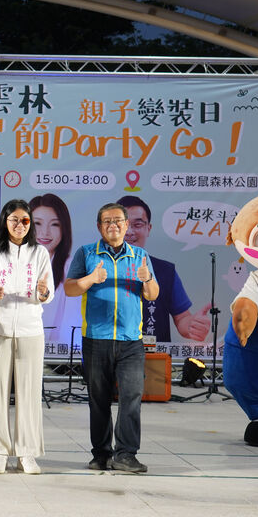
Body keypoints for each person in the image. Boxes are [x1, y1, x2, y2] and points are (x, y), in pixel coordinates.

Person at [65, 203, 159, 474]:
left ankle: (126, 454)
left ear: (126, 225)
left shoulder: (139, 255)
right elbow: (70, 289)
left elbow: (152, 294)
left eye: (118, 220)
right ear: (99, 226)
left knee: (131, 396)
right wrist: (91, 279)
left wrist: (147, 279)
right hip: (97, 339)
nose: (113, 225)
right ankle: (101, 454)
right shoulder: (86, 253)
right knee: (99, 399)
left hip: (131, 341)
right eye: (107, 221)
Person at [0, 200, 54, 475]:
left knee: (29, 392)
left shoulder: (40, 252)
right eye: (14, 220)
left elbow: (48, 292)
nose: (20, 225)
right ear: (5, 222)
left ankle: (26, 452)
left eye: (25, 220)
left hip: (31, 329)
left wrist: (42, 292)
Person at [116, 195, 209, 342]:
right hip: (108, 354)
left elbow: (182, 318)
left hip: (154, 355)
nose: (129, 232)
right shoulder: (98, 269)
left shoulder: (165, 272)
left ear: (148, 229)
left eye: (137, 225)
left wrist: (192, 325)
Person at [28, 194, 80, 351]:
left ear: (64, 229)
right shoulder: (15, 262)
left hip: (56, 353)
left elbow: (72, 323)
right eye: (37, 223)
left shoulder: (71, 267)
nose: (45, 232)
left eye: (55, 225)